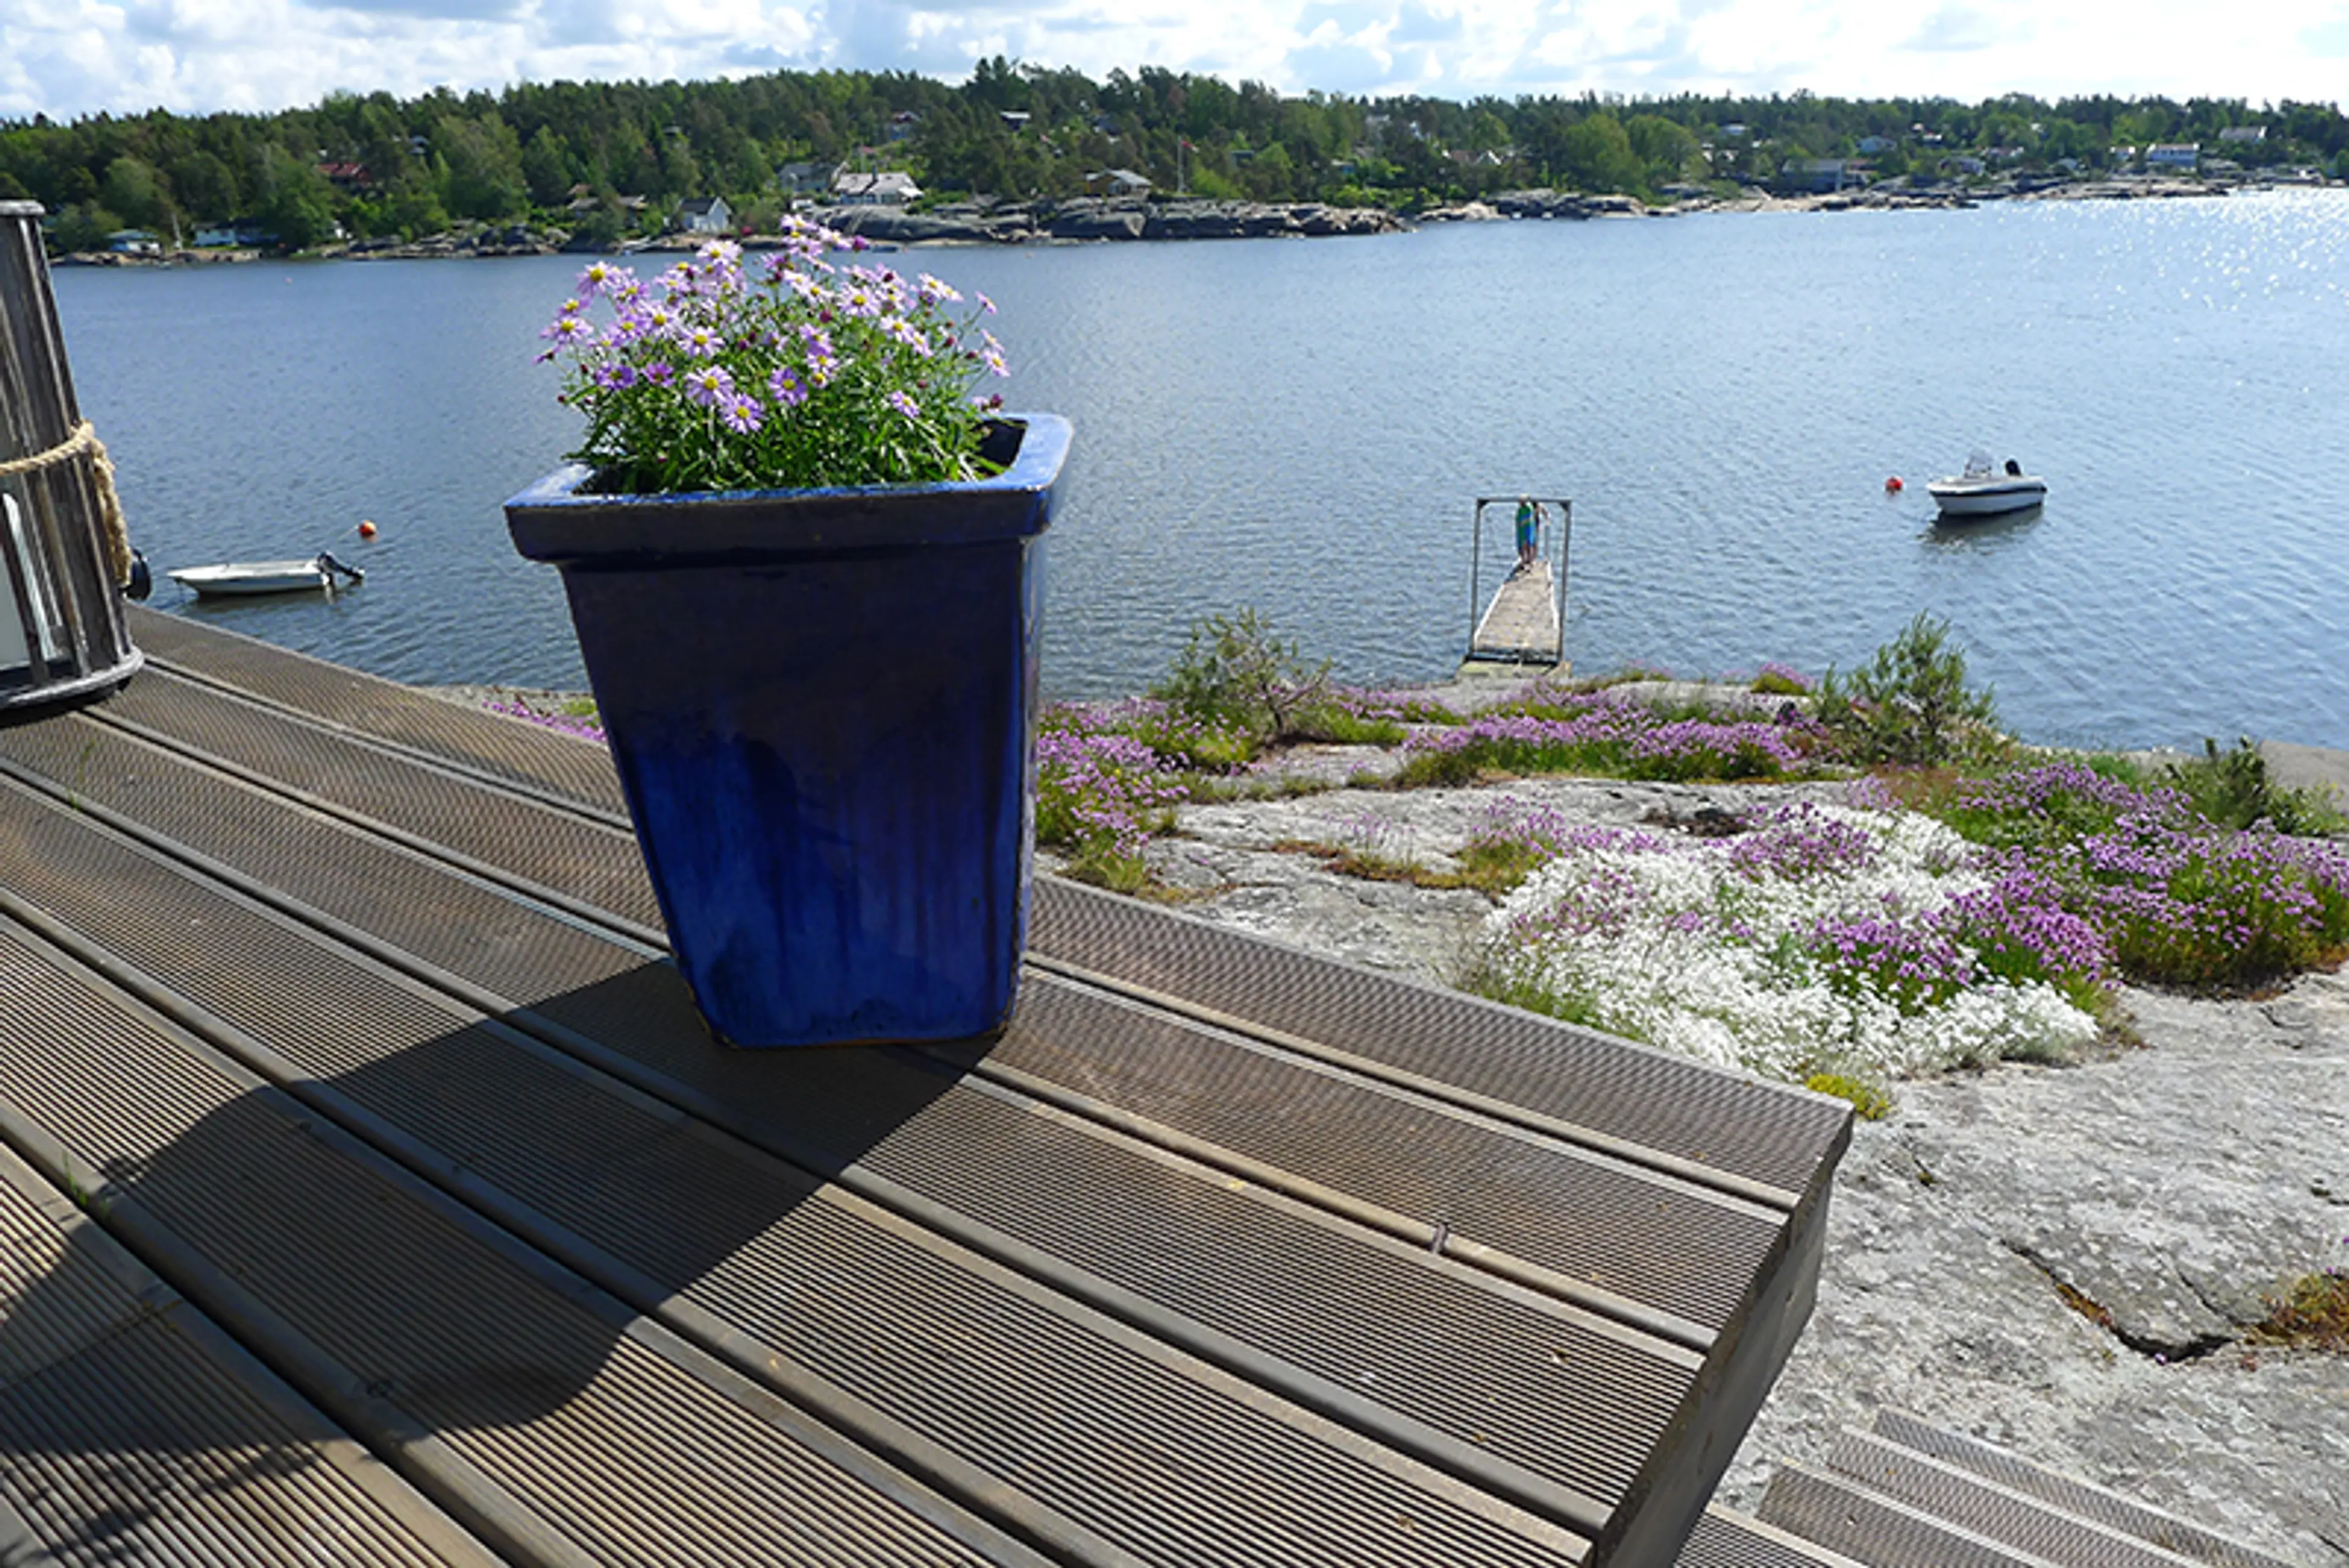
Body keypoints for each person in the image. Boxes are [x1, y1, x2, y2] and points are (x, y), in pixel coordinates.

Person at [1513, 497, 1541, 573]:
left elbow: (1532, 516)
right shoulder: (1520, 510)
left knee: (1530, 544)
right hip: (1522, 529)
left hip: (1529, 528)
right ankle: (1523, 560)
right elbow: (1517, 518)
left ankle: (1530, 560)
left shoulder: (1530, 508)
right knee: (1521, 545)